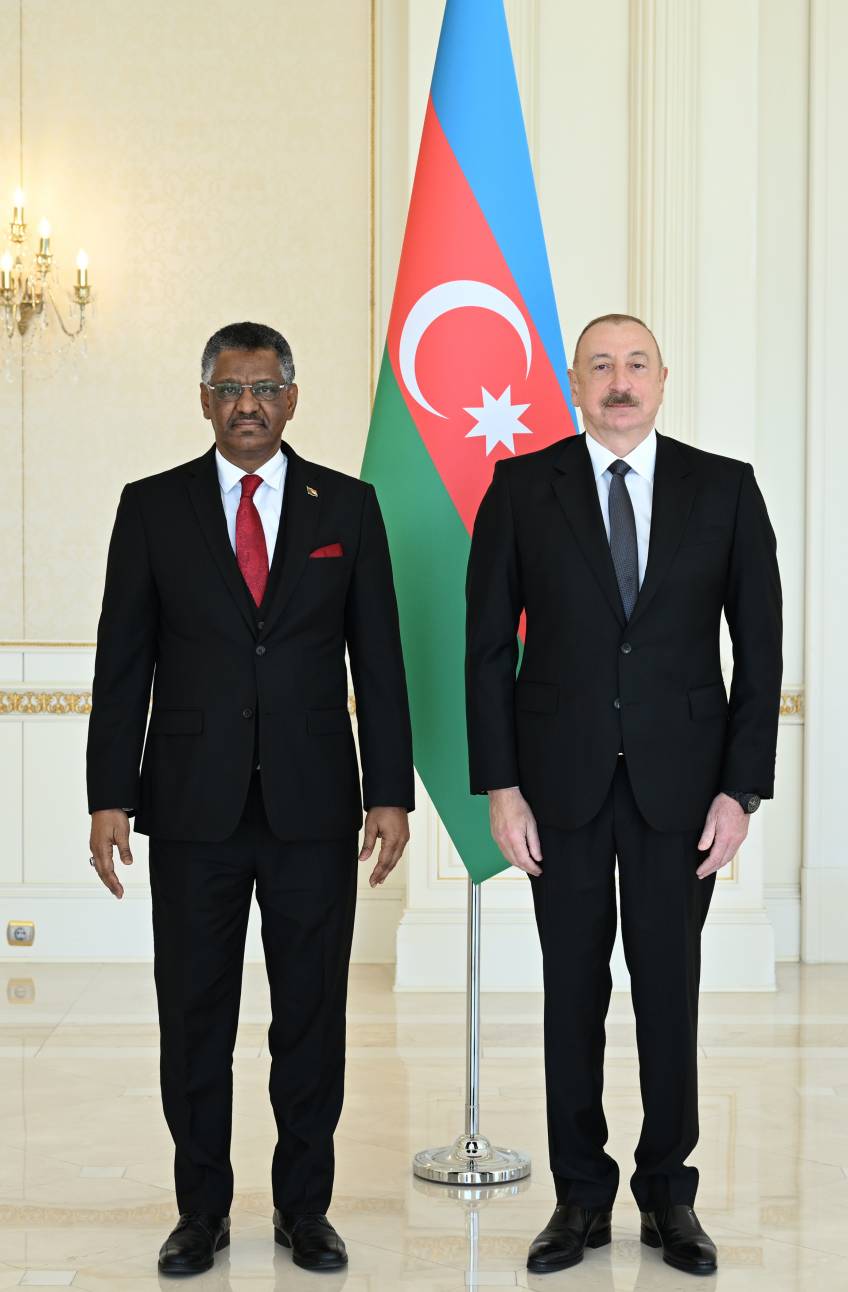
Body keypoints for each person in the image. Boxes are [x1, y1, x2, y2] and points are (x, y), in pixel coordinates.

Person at [86, 321, 414, 1276]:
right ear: (203, 401)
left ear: (292, 399)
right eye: (229, 389)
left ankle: (304, 1210)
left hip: (315, 809)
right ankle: (201, 1213)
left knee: (310, 1017)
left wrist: (388, 792)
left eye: (265, 388)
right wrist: (109, 794)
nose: (247, 406)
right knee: (194, 1017)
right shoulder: (152, 508)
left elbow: (379, 662)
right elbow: (123, 664)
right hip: (193, 808)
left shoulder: (346, 507)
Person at [465, 313, 782, 1277]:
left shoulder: (724, 489)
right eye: (599, 365)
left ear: (662, 378)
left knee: (668, 994)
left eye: (635, 364)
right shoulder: (521, 487)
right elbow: (486, 651)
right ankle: (578, 1197)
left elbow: (759, 652)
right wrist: (500, 788)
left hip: (681, 793)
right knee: (571, 993)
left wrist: (739, 792)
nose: (618, 381)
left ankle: (667, 1195)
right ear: (574, 382)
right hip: (555, 788)